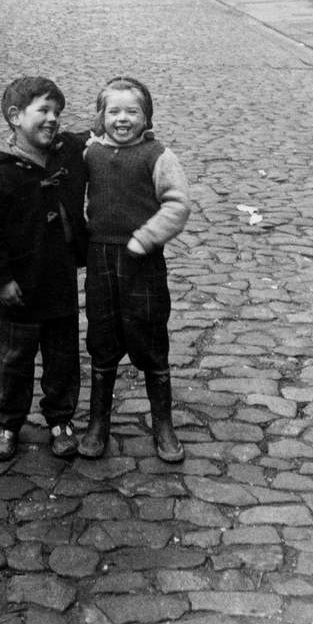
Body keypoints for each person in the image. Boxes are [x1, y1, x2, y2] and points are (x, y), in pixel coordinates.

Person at [79, 75, 191, 463]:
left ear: (146, 117)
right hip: (100, 261)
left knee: (150, 338)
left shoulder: (158, 156)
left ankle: (163, 425)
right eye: (114, 112)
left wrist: (146, 238)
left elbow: (177, 205)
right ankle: (98, 425)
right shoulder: (90, 153)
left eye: (132, 111)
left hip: (142, 263)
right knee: (103, 338)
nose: (122, 119)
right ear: (100, 117)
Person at [0, 76, 88, 461]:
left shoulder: (67, 153)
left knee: (63, 358)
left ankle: (61, 419)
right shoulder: (0, 175)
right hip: (20, 288)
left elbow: (100, 131)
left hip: (59, 282)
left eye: (57, 111)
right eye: (43, 110)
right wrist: (2, 280)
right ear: (14, 116)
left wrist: (131, 122)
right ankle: (8, 422)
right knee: (15, 359)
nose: (53, 118)